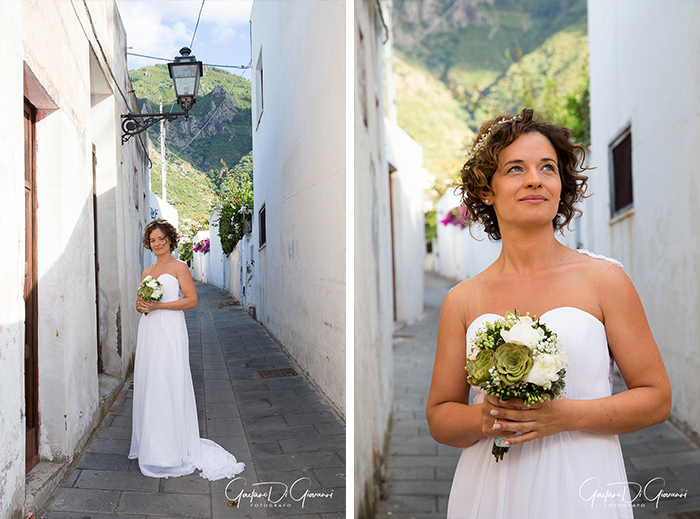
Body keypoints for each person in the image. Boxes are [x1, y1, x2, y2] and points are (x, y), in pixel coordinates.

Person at [426, 109, 671, 518]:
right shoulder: (462, 300)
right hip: (491, 489)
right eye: (515, 169)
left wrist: (563, 416)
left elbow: (657, 398)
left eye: (547, 168)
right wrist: (484, 418)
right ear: (487, 190)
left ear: (561, 186)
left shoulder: (605, 281)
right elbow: (439, 417)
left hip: (583, 485)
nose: (535, 179)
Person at [129, 219, 245, 480]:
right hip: (149, 331)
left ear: (169, 239)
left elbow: (191, 300)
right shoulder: (147, 272)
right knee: (151, 383)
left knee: (169, 380)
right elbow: (141, 303)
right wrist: (141, 306)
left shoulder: (180, 267)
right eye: (152, 240)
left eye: (161, 238)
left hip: (170, 330)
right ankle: (152, 447)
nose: (157, 244)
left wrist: (159, 307)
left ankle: (173, 448)